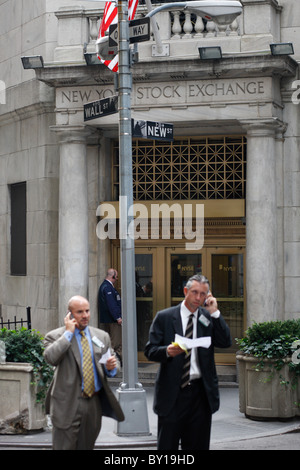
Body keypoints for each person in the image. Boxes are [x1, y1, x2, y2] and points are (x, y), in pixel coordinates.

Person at [144, 274, 231, 451]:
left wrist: (215, 313)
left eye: (203, 294)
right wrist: (166, 351)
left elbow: (225, 342)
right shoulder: (165, 317)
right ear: (185, 291)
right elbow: (150, 350)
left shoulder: (207, 318)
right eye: (194, 292)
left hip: (200, 394)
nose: (198, 298)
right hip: (173, 396)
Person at [44, 295, 124, 450]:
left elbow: (114, 364)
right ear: (70, 314)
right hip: (66, 404)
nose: (85, 315)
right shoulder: (55, 336)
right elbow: (51, 357)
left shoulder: (101, 336)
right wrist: (68, 333)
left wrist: (111, 368)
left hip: (93, 404)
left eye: (87, 311)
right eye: (80, 312)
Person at [98, 269, 122, 360]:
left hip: (110, 319)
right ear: (113, 276)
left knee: (112, 342)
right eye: (117, 277)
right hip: (112, 320)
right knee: (115, 343)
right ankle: (113, 363)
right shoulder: (107, 287)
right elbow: (111, 304)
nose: (117, 279)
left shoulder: (106, 286)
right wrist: (118, 317)